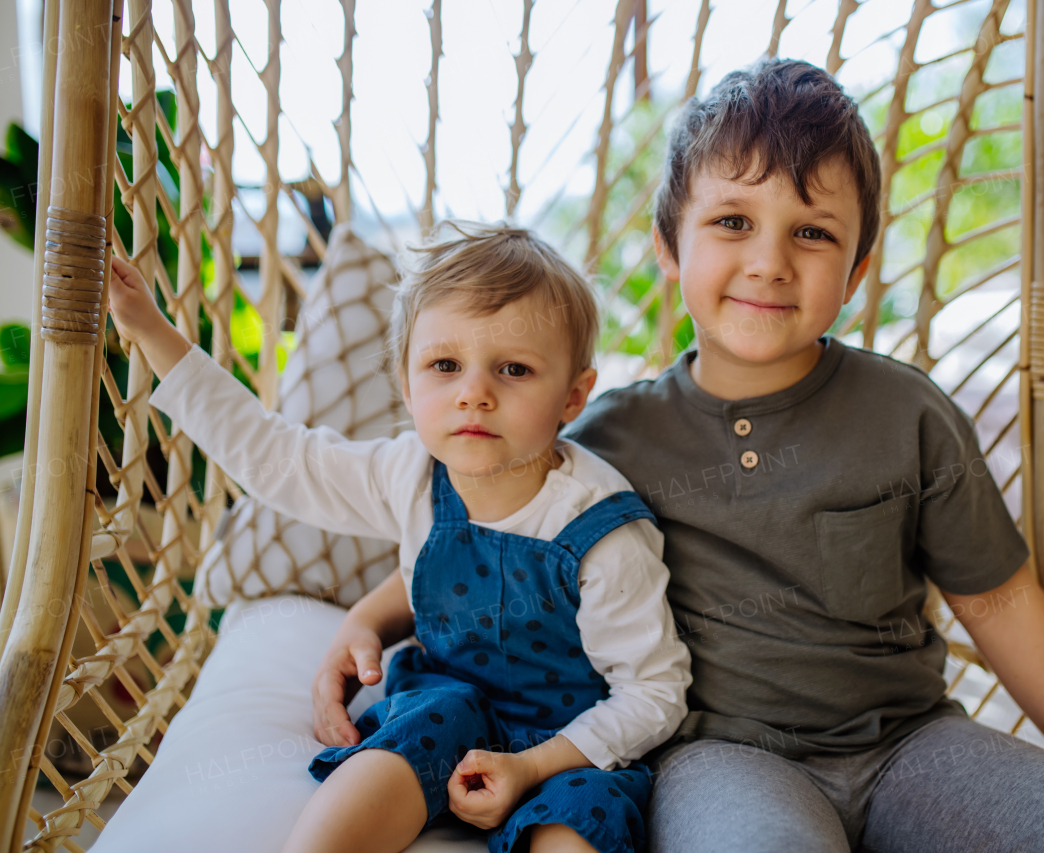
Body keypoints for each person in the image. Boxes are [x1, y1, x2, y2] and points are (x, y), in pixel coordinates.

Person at [561, 57, 1044, 853]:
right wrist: (380, 622)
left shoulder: (907, 412)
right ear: (669, 245)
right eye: (733, 221)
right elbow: (488, 524)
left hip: (912, 743)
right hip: (722, 757)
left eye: (812, 232)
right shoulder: (611, 436)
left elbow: (1001, 602)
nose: (770, 260)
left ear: (857, 271)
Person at [105, 220, 692, 853]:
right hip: (447, 707)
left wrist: (533, 766)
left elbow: (654, 690)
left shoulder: (602, 531)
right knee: (394, 755)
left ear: (574, 396)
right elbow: (274, 456)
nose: (474, 394)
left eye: (514, 369)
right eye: (445, 365)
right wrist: (150, 331)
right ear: (406, 385)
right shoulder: (410, 473)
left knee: (578, 827)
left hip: (570, 742)